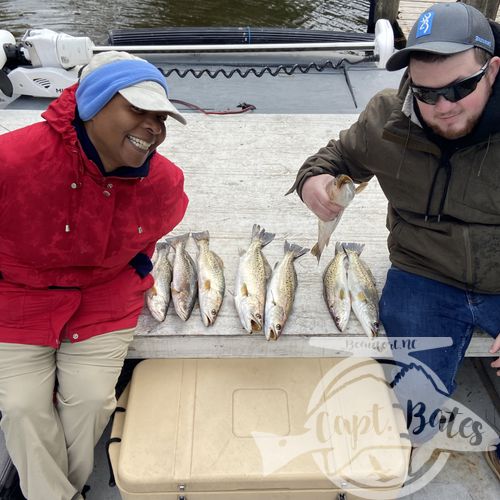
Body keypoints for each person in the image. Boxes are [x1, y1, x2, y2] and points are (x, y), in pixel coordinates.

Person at [288, 1, 500, 474]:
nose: (443, 106)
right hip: (423, 273)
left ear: (492, 70)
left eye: (461, 87)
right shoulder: (388, 117)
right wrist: (314, 185)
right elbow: (333, 158)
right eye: (427, 93)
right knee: (414, 401)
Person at [0, 51, 188, 499]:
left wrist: (139, 265)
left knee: (89, 402)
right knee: (22, 407)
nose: (153, 127)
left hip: (106, 298)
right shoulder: (12, 160)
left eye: (160, 116)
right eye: (137, 109)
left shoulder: (164, 181)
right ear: (93, 105)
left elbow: (151, 235)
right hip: (17, 296)